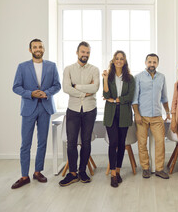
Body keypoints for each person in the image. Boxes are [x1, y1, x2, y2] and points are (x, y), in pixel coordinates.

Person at [12, 39, 61, 189]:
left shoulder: (51, 66)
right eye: (35, 47)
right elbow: (16, 87)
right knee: (25, 143)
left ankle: (38, 171)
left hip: (45, 107)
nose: (38, 49)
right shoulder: (22, 67)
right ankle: (24, 175)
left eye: (40, 47)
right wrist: (31, 93)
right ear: (30, 50)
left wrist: (46, 93)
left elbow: (57, 85)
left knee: (42, 142)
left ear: (44, 49)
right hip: (28, 108)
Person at [59, 41, 100, 186]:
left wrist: (76, 87)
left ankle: (83, 171)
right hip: (73, 109)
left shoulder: (94, 69)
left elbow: (95, 87)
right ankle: (73, 173)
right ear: (77, 52)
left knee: (86, 141)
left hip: (90, 109)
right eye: (83, 52)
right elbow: (66, 88)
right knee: (71, 142)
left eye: (88, 52)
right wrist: (84, 93)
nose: (85, 55)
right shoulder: (69, 69)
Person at [132, 53, 170, 179]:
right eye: (150, 62)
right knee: (142, 143)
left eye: (154, 62)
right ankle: (145, 168)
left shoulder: (162, 77)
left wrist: (168, 112)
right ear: (145, 63)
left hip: (157, 116)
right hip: (142, 116)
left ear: (157, 64)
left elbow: (164, 97)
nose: (152, 64)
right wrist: (136, 113)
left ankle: (159, 169)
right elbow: (134, 98)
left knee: (160, 142)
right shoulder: (138, 77)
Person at [102, 51, 135, 188]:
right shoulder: (109, 77)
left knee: (121, 143)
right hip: (110, 113)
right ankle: (113, 174)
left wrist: (116, 100)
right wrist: (104, 79)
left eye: (122, 59)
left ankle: (118, 171)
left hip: (124, 113)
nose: (119, 61)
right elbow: (105, 94)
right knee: (113, 142)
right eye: (117, 58)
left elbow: (130, 96)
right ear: (113, 61)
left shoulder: (130, 78)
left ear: (125, 61)